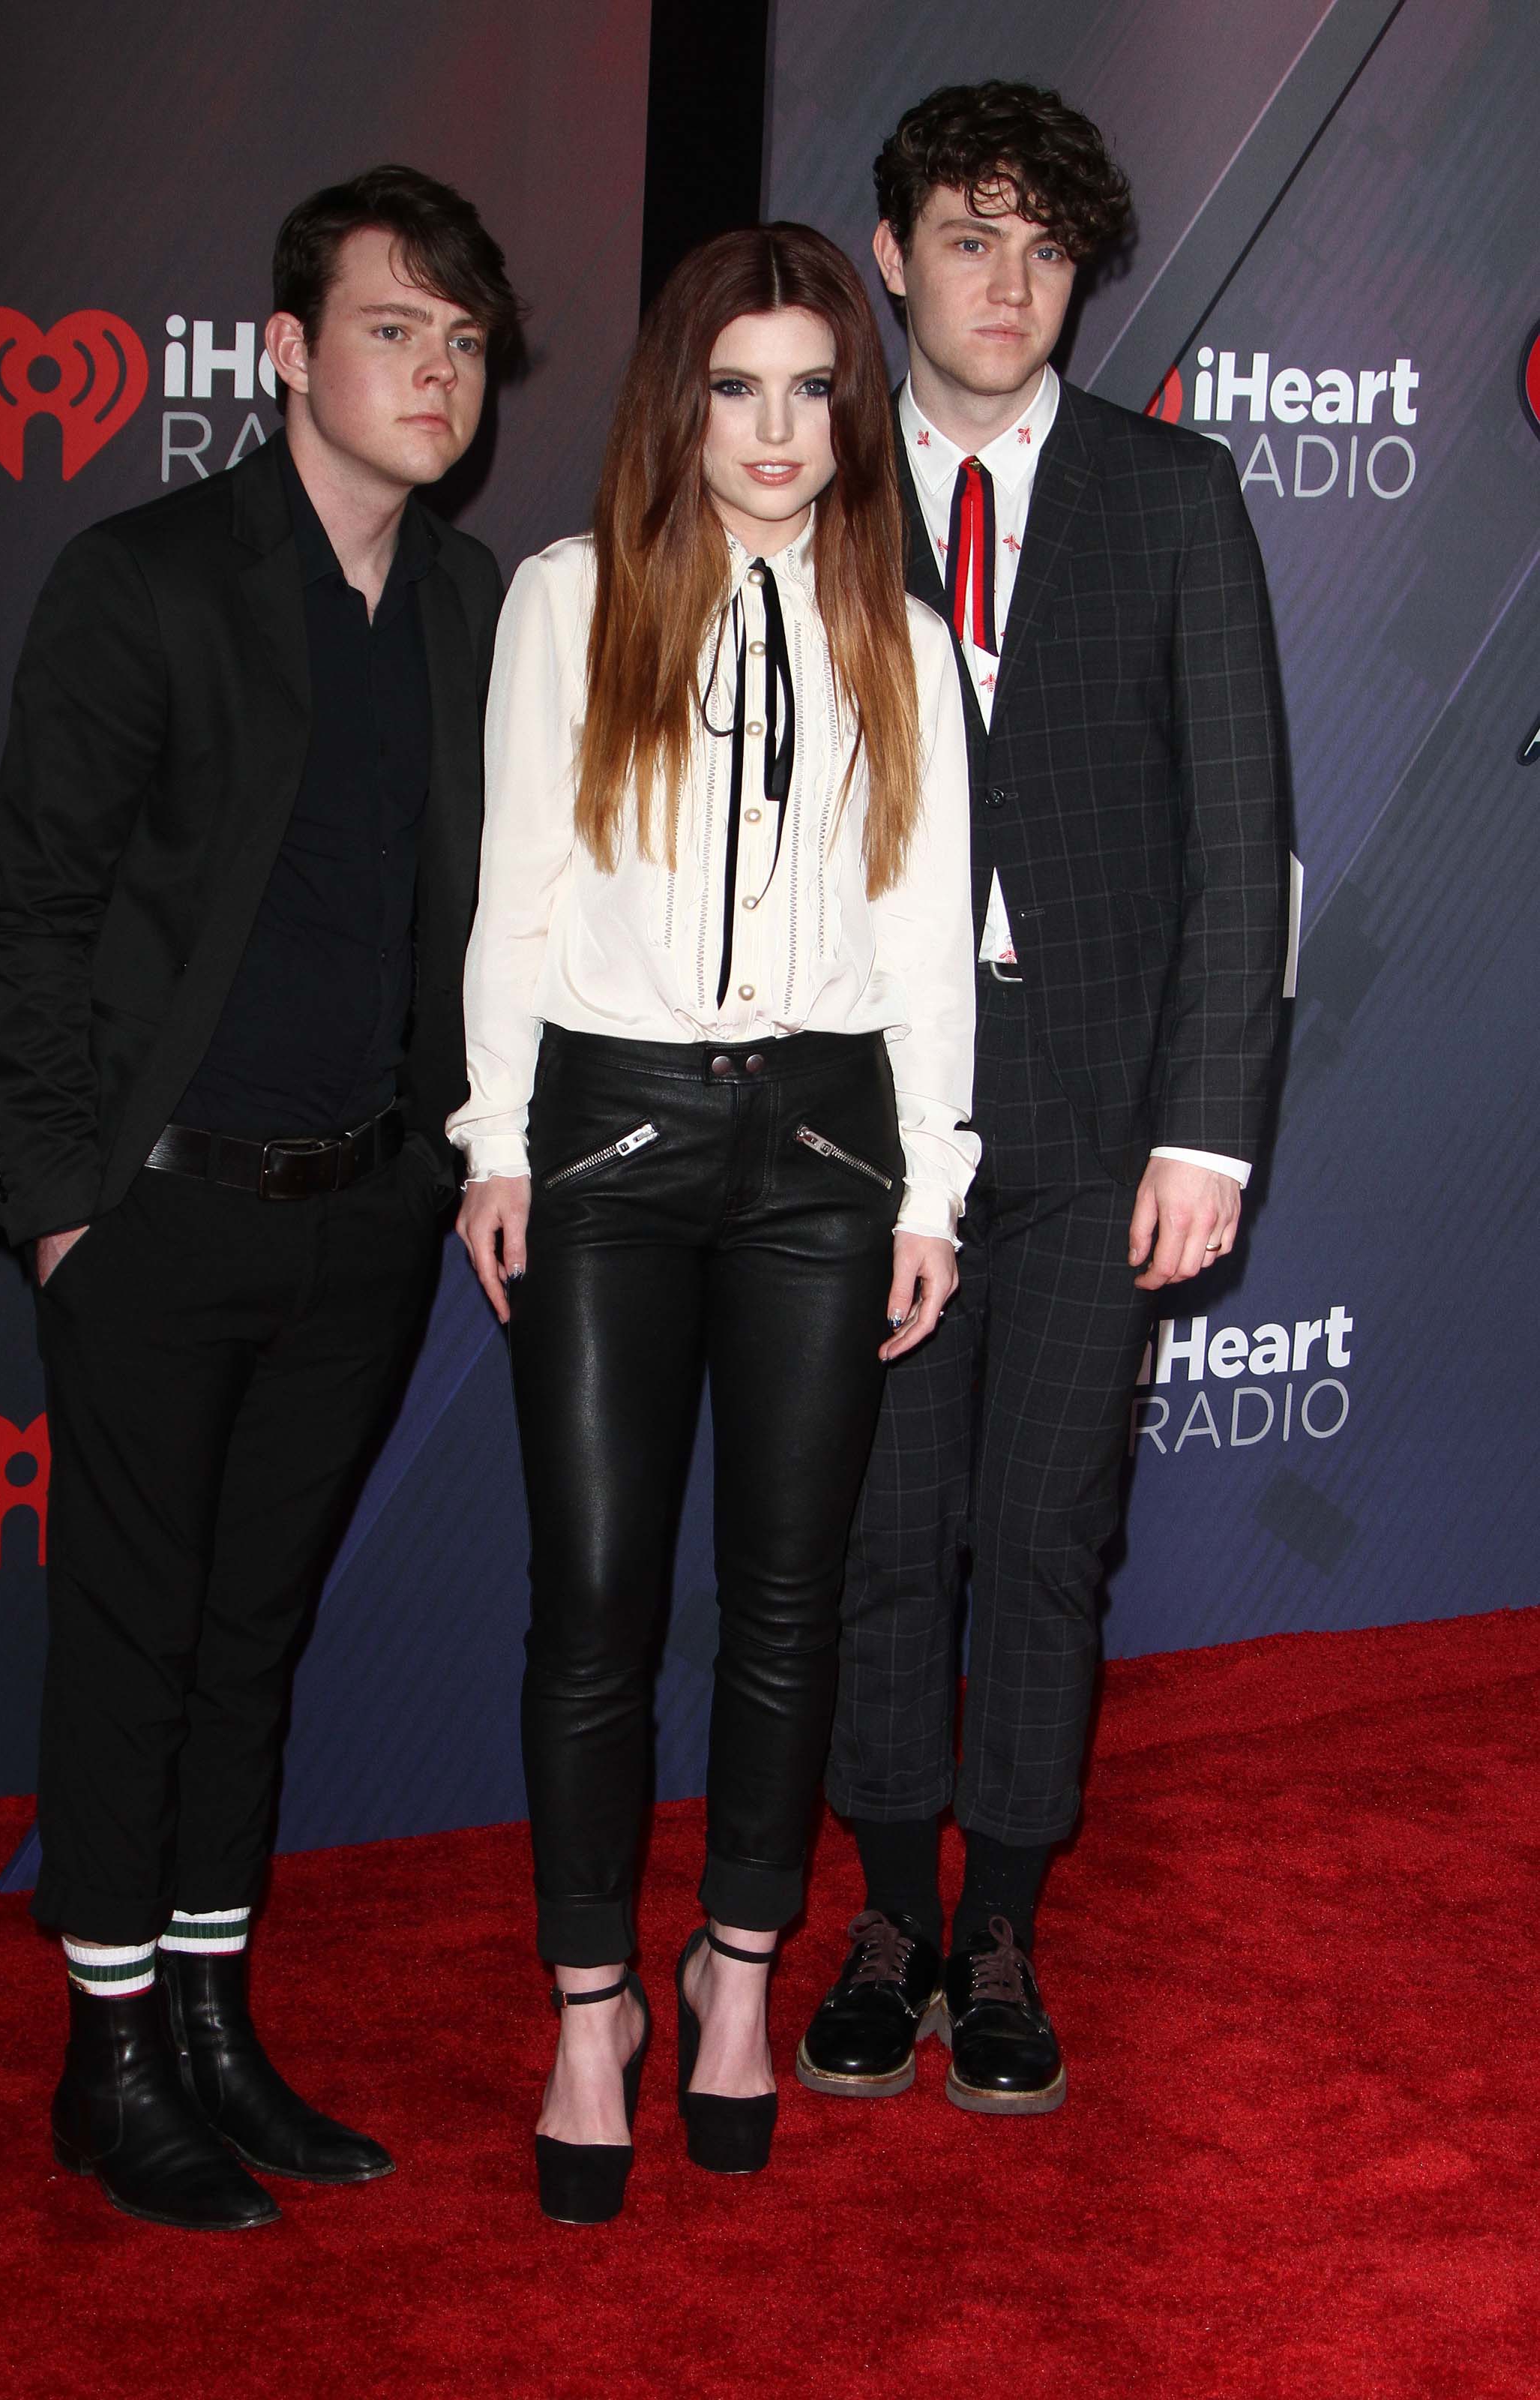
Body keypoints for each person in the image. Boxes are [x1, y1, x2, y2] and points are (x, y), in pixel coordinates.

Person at [0, 166, 519, 2230]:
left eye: (463, 340)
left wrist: (466, 1160)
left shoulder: (480, 613)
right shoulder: (143, 579)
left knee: (249, 1633)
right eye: (396, 329)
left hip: (366, 1217)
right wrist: (60, 1206)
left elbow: (492, 924)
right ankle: (105, 2058)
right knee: (130, 1635)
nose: (437, 371)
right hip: (161, 1218)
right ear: (287, 352)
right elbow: (32, 917)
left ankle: (210, 2017)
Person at [452, 223, 979, 2224]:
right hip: (606, 1137)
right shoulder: (568, 602)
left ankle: (735, 1975)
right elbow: (512, 891)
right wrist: (496, 1141)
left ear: (858, 406)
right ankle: (593, 2005)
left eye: (814, 387)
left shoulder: (902, 639)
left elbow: (926, 933)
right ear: (682, 398)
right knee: (594, 1603)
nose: (775, 431)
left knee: (790, 1600)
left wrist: (933, 1179)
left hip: (829, 1158)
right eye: (736, 385)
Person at [796, 81, 1289, 2114]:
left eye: (1047, 245)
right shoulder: (801, 487)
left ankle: (1000, 1925)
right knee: (881, 1541)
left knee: (1049, 1533)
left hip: (1099, 1129)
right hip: (855, 1132)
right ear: (892, 255)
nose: (1010, 282)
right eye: (969, 237)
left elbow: (1240, 835)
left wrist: (1212, 1121)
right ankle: (889, 1913)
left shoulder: (1173, 497)